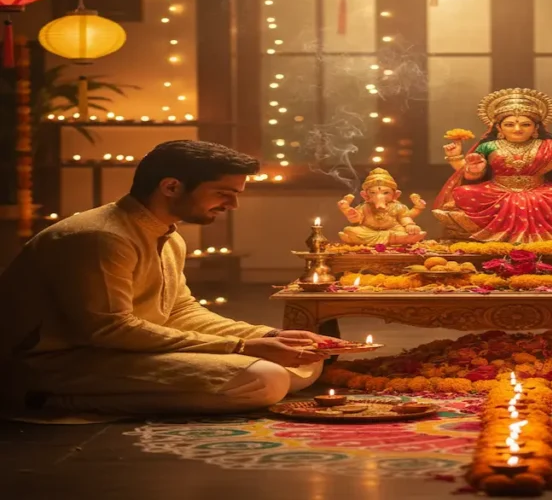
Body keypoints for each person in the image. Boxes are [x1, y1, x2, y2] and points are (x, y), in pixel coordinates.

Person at [0, 140, 338, 417]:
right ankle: (53, 401)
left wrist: (270, 335)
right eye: (224, 192)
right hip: (59, 363)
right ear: (171, 186)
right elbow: (108, 330)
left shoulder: (168, 236)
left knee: (304, 364)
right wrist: (242, 347)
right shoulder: (102, 236)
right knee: (266, 379)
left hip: (128, 352)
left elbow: (180, 311)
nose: (233, 205)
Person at [432, 88, 552, 243]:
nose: (517, 129)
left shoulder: (550, 147)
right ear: (499, 127)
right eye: (509, 124)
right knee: (463, 192)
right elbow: (470, 176)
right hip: (496, 191)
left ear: (536, 127)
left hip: (540, 192)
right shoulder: (488, 146)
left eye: (525, 124)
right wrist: (474, 169)